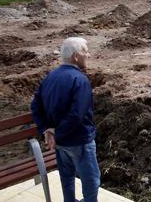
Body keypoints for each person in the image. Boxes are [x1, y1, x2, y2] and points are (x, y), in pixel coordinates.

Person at [31, 37, 100, 202]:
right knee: (91, 181)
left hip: (60, 144)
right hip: (80, 141)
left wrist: (46, 129)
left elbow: (35, 106)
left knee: (67, 178)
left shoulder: (50, 77)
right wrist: (56, 132)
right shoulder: (80, 80)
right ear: (76, 57)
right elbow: (77, 114)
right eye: (85, 51)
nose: (88, 55)